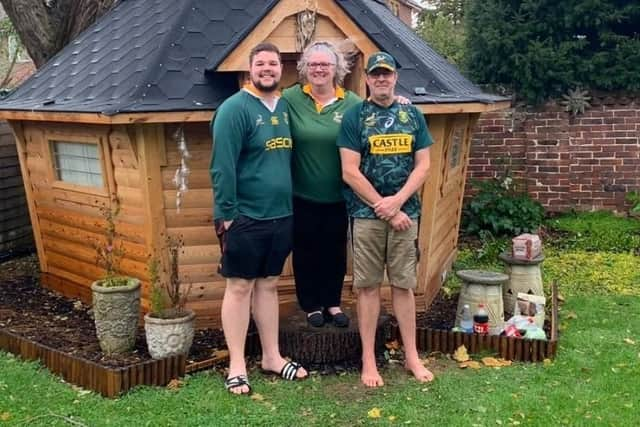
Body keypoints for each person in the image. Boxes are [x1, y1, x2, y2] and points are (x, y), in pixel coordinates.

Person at [210, 42, 308, 395]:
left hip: (282, 215)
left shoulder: (285, 107)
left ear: (282, 69)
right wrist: (226, 216)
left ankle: (272, 356)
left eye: (274, 63)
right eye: (261, 63)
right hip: (245, 218)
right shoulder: (234, 109)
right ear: (250, 68)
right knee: (239, 287)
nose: (268, 68)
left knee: (268, 284)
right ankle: (236, 364)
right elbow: (222, 166)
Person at [337, 51, 435, 387]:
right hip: (366, 217)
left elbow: (423, 165)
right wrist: (383, 206)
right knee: (367, 288)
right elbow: (349, 171)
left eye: (387, 73)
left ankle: (411, 356)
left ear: (395, 77)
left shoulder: (412, 114)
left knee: (403, 286)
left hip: (407, 215)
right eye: (375, 74)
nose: (382, 79)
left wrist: (397, 204)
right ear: (366, 78)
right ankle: (368, 360)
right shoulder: (355, 116)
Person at [282, 41, 361, 328]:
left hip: (339, 196)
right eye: (313, 64)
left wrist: (400, 101)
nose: (319, 69)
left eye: (325, 64)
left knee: (335, 252)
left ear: (336, 69)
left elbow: (375, 116)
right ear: (305, 68)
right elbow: (264, 104)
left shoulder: (351, 102)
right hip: (302, 195)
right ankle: (311, 305)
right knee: (305, 251)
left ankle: (333, 303)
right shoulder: (291, 98)